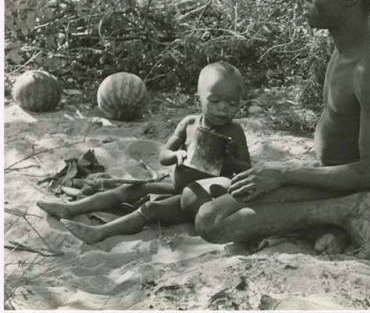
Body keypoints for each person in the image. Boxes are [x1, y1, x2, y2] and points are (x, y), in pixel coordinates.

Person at [192, 0, 370, 258]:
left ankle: (345, 213)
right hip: (336, 179)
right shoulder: (347, 48)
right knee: (210, 207)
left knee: (212, 222)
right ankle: (335, 220)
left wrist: (283, 174)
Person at [37, 62, 251, 244]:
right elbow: (163, 155)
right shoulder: (189, 124)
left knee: (151, 208)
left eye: (232, 104)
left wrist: (229, 162)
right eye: (215, 101)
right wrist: (177, 156)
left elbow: (247, 170)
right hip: (177, 186)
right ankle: (71, 208)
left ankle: (100, 232)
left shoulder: (235, 132)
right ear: (199, 100)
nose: (223, 109)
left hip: (198, 199)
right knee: (129, 190)